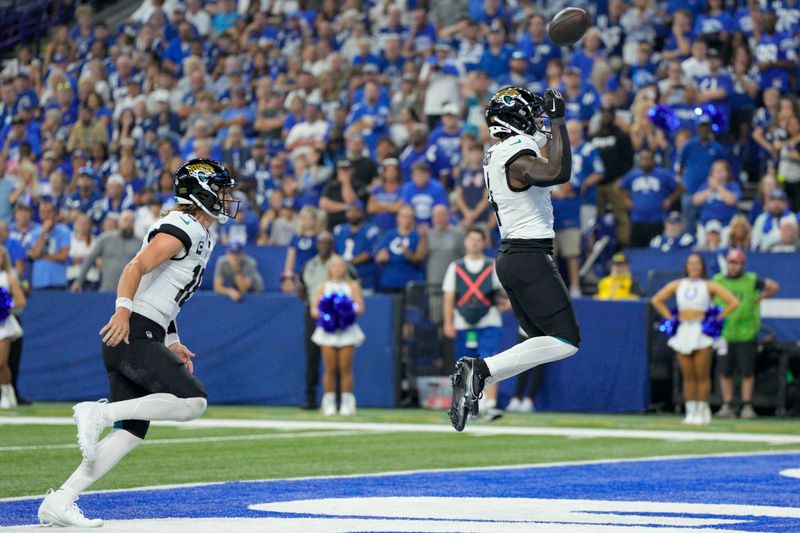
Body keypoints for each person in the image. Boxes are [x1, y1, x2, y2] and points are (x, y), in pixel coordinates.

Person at [37, 158, 237, 527]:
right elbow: (136, 267)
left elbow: (167, 294)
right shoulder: (183, 227)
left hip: (143, 333)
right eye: (222, 190)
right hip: (132, 332)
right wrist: (123, 312)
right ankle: (98, 413)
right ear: (201, 191)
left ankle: (61, 500)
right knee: (193, 402)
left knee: (130, 434)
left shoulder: (200, 231)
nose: (227, 197)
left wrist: (172, 339)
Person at [448, 86, 579, 432]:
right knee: (565, 340)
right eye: (532, 114)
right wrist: (559, 120)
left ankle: (480, 377)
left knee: (540, 341)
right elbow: (557, 173)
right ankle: (481, 371)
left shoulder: (497, 153)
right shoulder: (517, 151)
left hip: (513, 255)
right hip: (528, 255)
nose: (538, 120)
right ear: (516, 117)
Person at [651, 253, 739, 426]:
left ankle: (702, 409)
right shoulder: (678, 284)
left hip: (701, 330)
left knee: (701, 374)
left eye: (697, 263)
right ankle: (690, 411)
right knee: (688, 375)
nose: (694, 267)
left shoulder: (709, 285)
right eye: (690, 263)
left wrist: (717, 318)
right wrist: (671, 318)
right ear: (686, 266)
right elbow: (657, 300)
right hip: (683, 329)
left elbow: (733, 302)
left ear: (702, 266)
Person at [442, 227, 507, 421]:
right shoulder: (456, 266)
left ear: (484, 242)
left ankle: (492, 404)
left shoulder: (492, 265)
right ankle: (469, 405)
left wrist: (505, 304)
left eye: (479, 239)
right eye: (471, 239)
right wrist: (448, 322)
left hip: (489, 321)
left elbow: (505, 293)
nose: (474, 243)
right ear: (465, 242)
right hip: (463, 322)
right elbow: (449, 296)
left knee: (491, 360)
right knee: (466, 365)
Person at [713, 249, 779, 419]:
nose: (733, 266)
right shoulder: (718, 281)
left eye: (736, 263)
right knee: (725, 371)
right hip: (725, 332)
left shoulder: (751, 280)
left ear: (742, 265)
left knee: (747, 371)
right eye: (730, 262)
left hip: (746, 332)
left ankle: (746, 405)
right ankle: (727, 404)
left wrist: (760, 298)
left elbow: (773, 286)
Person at [310, 255, 366, 416]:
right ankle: (329, 402)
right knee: (330, 368)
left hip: (347, 331)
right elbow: (314, 309)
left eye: (341, 266)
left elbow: (360, 307)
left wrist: (345, 312)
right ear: (330, 269)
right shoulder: (323, 286)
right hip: (328, 331)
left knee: (345, 368)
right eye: (334, 266)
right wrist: (328, 315)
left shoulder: (352, 285)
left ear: (345, 268)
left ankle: (347, 402)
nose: (337, 269)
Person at [618, 149, 683, 247]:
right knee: (636, 251)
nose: (645, 161)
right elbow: (618, 188)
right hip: (637, 220)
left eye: (648, 159)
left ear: (653, 160)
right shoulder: (633, 175)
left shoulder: (663, 174)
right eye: (643, 159)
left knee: (656, 250)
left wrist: (669, 200)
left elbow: (680, 188)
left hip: (656, 220)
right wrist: (626, 201)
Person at [71, 210, 140, 292]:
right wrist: (79, 282)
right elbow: (90, 259)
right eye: (125, 220)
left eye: (132, 221)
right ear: (118, 222)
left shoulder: (140, 242)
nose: (128, 224)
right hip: (107, 289)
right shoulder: (105, 238)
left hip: (131, 291)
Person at [375, 205, 427, 293]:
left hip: (410, 283)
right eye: (404, 216)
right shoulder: (389, 235)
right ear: (398, 218)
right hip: (389, 282)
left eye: (409, 217)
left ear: (413, 220)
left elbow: (420, 258)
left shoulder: (418, 236)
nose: (406, 220)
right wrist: (380, 258)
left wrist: (408, 254)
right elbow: (379, 255)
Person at [333, 200, 380, 292]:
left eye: (356, 211)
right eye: (350, 211)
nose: (352, 214)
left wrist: (349, 263)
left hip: (364, 275)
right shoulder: (339, 229)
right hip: (341, 275)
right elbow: (334, 250)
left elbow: (370, 252)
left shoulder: (371, 230)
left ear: (362, 213)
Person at [0, 245, 25, 409]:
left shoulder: (9, 277)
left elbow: (21, 301)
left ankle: (7, 391)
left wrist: (5, 306)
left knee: (1, 362)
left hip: (4, 323)